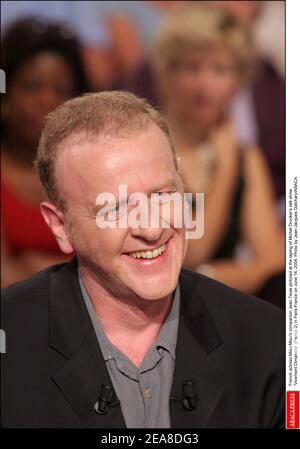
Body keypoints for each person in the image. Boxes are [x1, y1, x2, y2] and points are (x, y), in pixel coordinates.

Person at [1, 91, 284, 428]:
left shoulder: (271, 344)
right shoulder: (11, 344)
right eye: (116, 208)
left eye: (162, 195)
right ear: (60, 226)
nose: (151, 229)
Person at [150, 5, 285, 308]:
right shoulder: (147, 149)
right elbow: (191, 253)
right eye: (191, 68)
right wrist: (224, 168)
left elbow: (274, 264)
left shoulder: (245, 156)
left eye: (220, 70)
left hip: (216, 309)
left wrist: (209, 275)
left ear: (239, 80)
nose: (204, 85)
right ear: (166, 72)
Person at [1, 17, 88, 287]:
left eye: (60, 90)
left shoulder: (90, 168)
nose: (47, 100)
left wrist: (34, 266)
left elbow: (113, 268)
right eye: (31, 86)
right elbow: (4, 278)